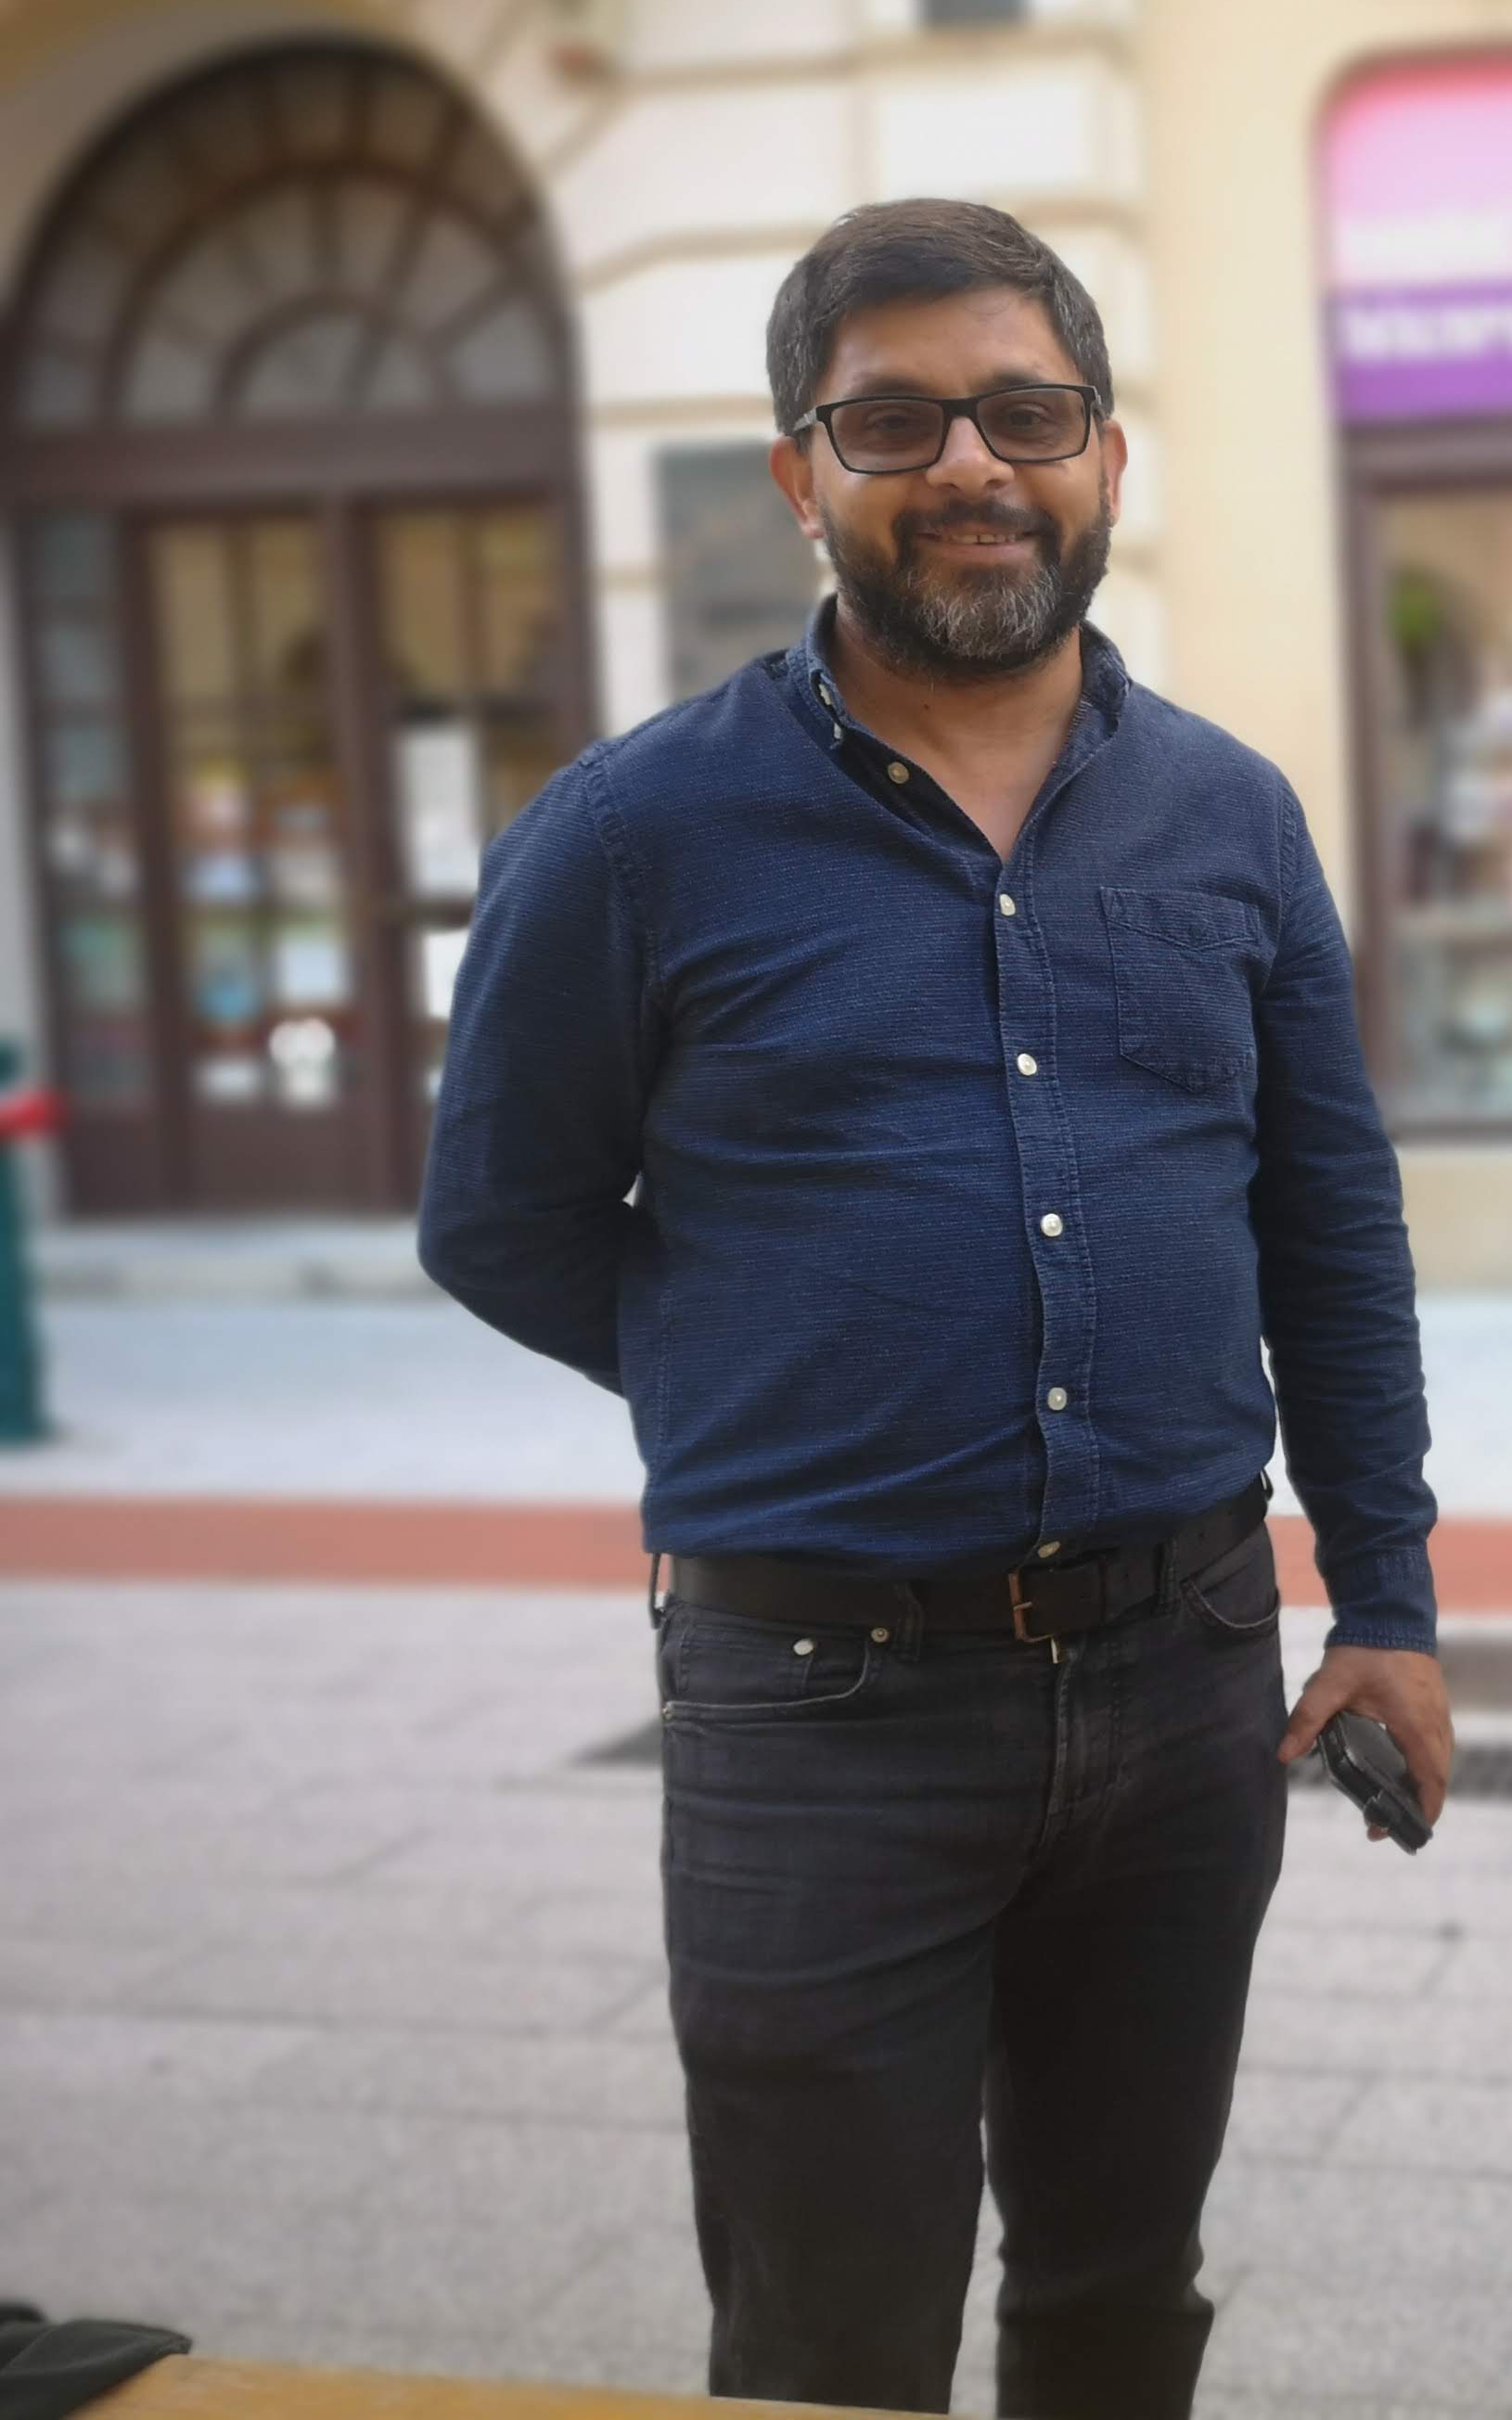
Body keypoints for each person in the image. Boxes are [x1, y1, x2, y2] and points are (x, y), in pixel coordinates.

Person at [419, 198, 1452, 2417]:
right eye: (893, 421)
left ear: (1104, 456)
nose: (971, 463)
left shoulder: (1233, 817)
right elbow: (496, 1215)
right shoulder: (633, 835)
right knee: (830, 2348)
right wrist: (765, 1362)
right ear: (802, 475)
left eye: (1026, 412)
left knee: (1120, 2298)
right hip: (820, 1711)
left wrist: (1388, 1597)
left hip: (1184, 1682)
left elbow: (1330, 1223)